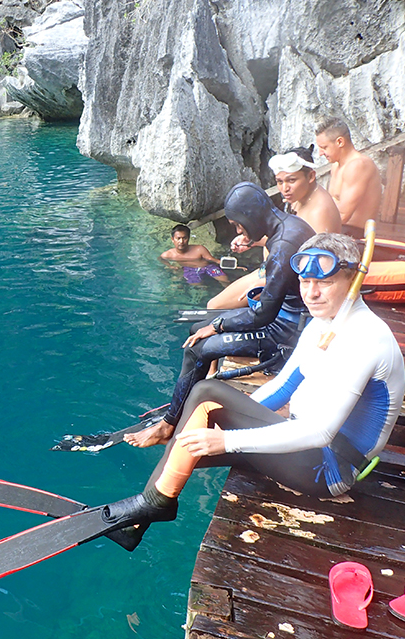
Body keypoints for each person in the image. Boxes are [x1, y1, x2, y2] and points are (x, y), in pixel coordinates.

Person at [100, 233, 405, 539]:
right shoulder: (323, 323)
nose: (311, 293)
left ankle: (151, 506)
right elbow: (282, 388)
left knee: (207, 393)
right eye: (305, 281)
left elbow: (320, 432)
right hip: (301, 446)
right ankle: (140, 519)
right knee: (186, 441)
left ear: (353, 280)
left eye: (324, 282)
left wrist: (228, 439)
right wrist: (227, 420)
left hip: (327, 469)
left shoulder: (366, 337)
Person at [126, 182, 315, 447]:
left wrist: (218, 325)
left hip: (286, 331)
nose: (238, 230)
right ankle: (193, 389)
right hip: (293, 316)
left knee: (196, 350)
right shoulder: (290, 225)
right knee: (196, 330)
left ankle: (167, 426)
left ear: (251, 216)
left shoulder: (283, 245)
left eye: (239, 224)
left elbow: (262, 316)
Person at [209, 147, 341, 310]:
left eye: (291, 180)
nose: (285, 188)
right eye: (280, 182)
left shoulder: (319, 211)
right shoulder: (300, 198)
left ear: (311, 176)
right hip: (272, 269)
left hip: (283, 278)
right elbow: (292, 241)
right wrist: (251, 241)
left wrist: (267, 283)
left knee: (214, 306)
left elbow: (315, 266)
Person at [314, 117, 383, 230]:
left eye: (324, 147)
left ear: (340, 142)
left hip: (354, 233)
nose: (320, 153)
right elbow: (331, 206)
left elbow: (342, 215)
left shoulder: (358, 165)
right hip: (338, 229)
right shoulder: (336, 166)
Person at [161, 224, 230, 285]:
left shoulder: (199, 249)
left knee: (225, 280)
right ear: (172, 239)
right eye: (178, 238)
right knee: (197, 286)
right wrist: (170, 266)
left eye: (184, 238)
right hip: (190, 269)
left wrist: (229, 264)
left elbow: (212, 259)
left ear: (188, 238)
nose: (181, 241)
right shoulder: (169, 254)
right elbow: (161, 259)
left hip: (208, 267)